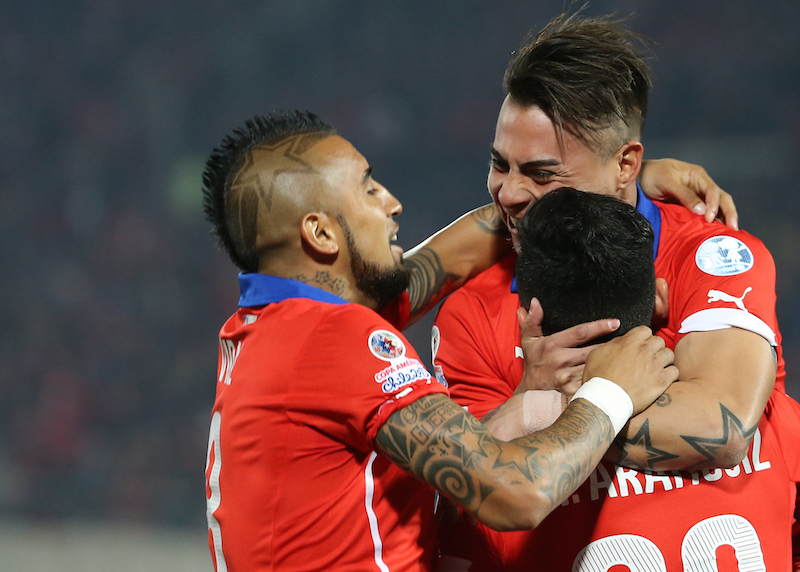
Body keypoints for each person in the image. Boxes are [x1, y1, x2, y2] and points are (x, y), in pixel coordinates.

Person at [201, 110, 678, 571]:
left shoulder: (266, 330)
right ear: (321, 233)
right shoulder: (332, 337)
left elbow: (457, 251)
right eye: (368, 188)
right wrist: (612, 391)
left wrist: (615, 182)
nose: (392, 203)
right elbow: (517, 494)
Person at [432, 11, 783, 474]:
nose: (509, 193)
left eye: (542, 174)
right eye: (500, 165)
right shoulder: (471, 313)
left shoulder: (710, 259)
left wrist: (537, 408)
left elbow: (719, 428)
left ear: (625, 166)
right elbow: (468, 479)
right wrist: (541, 395)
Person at [437, 188, 800, 571]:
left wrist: (533, 410)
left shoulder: (495, 480)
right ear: (659, 298)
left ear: (528, 320)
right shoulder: (769, 418)